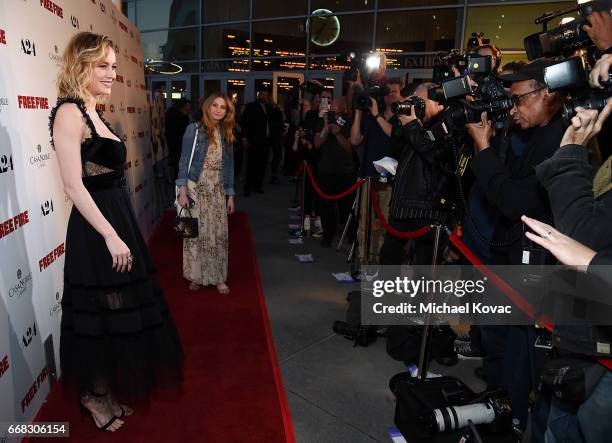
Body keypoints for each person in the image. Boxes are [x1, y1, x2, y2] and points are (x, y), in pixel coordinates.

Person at [49, 32, 183, 432]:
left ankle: (105, 389)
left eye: (113, 64)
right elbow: (74, 186)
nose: (112, 73)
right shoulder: (69, 113)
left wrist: (118, 231)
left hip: (115, 219)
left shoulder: (95, 112)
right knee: (100, 311)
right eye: (103, 65)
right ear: (81, 65)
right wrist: (110, 235)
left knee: (118, 310)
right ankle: (92, 394)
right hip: (95, 230)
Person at [176, 92, 236, 294]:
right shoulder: (193, 130)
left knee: (217, 234)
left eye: (223, 107)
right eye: (215, 106)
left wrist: (230, 194)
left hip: (217, 188)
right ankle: (196, 276)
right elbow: (184, 161)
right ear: (208, 107)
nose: (218, 110)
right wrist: (182, 190)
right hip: (196, 186)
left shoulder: (227, 133)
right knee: (195, 233)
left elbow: (229, 166)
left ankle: (218, 277)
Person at [314, 96, 357, 247]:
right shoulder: (323, 121)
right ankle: (328, 235)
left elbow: (350, 150)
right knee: (326, 207)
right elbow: (317, 143)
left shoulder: (350, 122)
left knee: (347, 207)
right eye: (333, 106)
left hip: (345, 172)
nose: (334, 109)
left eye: (338, 106)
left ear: (345, 108)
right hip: (326, 171)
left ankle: (352, 236)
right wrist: (326, 126)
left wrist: (338, 134)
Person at [243, 90, 272, 196]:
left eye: (266, 95)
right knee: (251, 165)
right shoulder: (251, 106)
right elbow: (245, 123)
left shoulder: (268, 107)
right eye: (263, 95)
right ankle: (248, 187)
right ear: (259, 95)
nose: (265, 97)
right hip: (254, 141)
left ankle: (257, 186)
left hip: (265, 141)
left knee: (262, 164)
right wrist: (245, 138)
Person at [165, 98, 191, 180]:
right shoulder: (182, 116)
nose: (189, 108)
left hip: (171, 141)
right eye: (188, 106)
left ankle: (176, 180)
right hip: (179, 142)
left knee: (175, 162)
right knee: (179, 163)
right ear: (184, 106)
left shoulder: (170, 111)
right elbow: (185, 128)